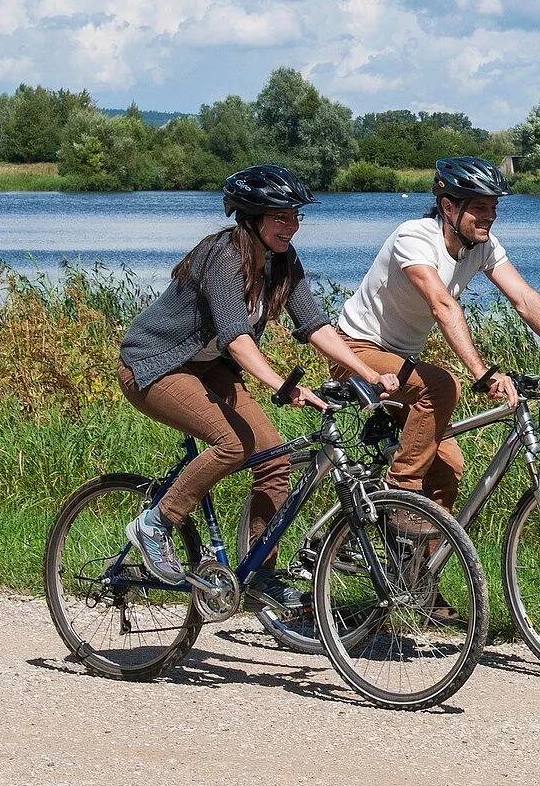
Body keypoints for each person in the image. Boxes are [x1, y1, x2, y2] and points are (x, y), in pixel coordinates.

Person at [119, 165, 400, 602]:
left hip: (210, 367)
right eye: (280, 217)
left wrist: (369, 373)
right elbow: (236, 336)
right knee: (232, 443)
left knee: (273, 457)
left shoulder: (283, 261)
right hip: (155, 365)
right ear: (250, 217)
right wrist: (281, 385)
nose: (291, 226)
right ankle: (156, 523)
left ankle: (259, 576)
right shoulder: (225, 254)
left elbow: (314, 326)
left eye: (295, 217)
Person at [334, 156, 540, 511]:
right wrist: (482, 374)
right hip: (354, 350)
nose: (489, 216)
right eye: (479, 208)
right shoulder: (414, 237)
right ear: (447, 206)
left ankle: (413, 563)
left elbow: (524, 298)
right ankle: (400, 492)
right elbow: (442, 304)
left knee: (447, 471)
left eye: (493, 207)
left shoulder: (483, 246)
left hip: (401, 362)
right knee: (440, 386)